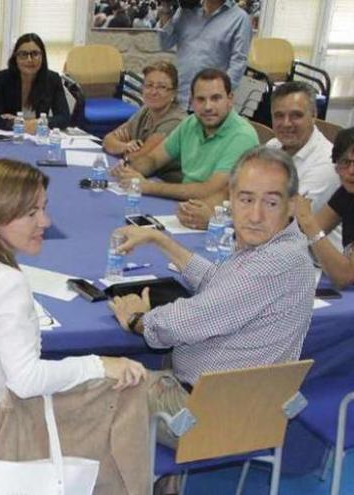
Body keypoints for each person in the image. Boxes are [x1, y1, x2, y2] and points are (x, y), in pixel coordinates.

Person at [0, 159, 150, 493]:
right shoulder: (7, 282)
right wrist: (101, 364)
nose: (45, 221)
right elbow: (26, 380)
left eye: (44, 209)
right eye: (31, 213)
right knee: (123, 389)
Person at [108, 146, 314, 446]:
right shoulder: (282, 247)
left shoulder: (275, 262)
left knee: (93, 387)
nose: (255, 215)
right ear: (230, 198)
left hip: (203, 416)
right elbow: (219, 282)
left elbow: (181, 325)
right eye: (246, 199)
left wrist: (138, 318)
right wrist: (161, 240)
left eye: (271, 202)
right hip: (243, 408)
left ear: (292, 205)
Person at [176, 81, 338, 237]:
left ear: (314, 116)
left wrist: (216, 219)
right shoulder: (273, 146)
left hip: (310, 258)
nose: (286, 123)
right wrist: (199, 209)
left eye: (296, 116)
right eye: (279, 116)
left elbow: (288, 222)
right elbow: (233, 190)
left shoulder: (327, 161)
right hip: (263, 244)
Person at [112, 69, 258, 201]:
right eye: (201, 99)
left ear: (230, 99)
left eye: (216, 98)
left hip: (212, 216)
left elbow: (211, 190)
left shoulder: (242, 136)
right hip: (184, 204)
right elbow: (154, 159)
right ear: (191, 101)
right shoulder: (190, 123)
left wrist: (148, 186)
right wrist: (130, 171)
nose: (208, 107)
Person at [158, 0, 252, 108]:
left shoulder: (239, 18)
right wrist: (166, 9)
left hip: (210, 105)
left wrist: (219, 95)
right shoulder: (185, 12)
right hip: (181, 99)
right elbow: (164, 43)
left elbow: (238, 62)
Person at [103, 61, 187, 182]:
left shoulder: (175, 121)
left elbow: (141, 159)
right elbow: (108, 140)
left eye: (162, 87)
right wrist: (125, 146)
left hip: (168, 182)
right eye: (149, 85)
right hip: (146, 176)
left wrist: (126, 153)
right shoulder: (145, 111)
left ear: (173, 93)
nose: (153, 92)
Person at [296, 127, 354, 288]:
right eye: (345, 162)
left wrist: (307, 221)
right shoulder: (346, 193)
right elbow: (300, 239)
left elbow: (346, 276)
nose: (351, 171)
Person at [0, 33, 72, 132]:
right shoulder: (2, 78)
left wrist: (35, 123)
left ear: (42, 56)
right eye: (23, 54)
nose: (29, 60)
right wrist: (22, 125)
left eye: (35, 54)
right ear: (15, 58)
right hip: (10, 137)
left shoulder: (52, 79)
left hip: (39, 137)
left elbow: (64, 118)